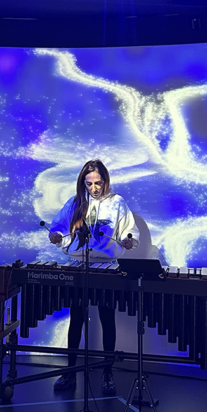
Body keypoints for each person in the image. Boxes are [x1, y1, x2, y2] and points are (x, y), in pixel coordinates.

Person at [47, 159, 139, 395]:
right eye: (89, 184)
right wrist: (56, 236)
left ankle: (107, 373)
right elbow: (58, 227)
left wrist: (129, 240)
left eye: (98, 183)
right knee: (76, 318)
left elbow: (130, 230)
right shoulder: (76, 202)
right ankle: (69, 372)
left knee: (107, 319)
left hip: (106, 267)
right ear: (83, 183)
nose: (94, 188)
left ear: (105, 180)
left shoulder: (118, 203)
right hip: (79, 264)